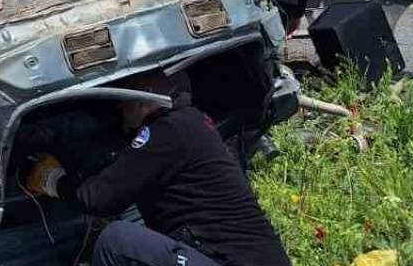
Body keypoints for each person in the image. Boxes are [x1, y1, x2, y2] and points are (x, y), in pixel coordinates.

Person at [24, 71, 291, 266]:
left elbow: (96, 197)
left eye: (126, 94)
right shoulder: (192, 124)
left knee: (117, 241)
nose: (119, 105)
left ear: (143, 99)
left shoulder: (166, 131)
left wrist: (51, 179)